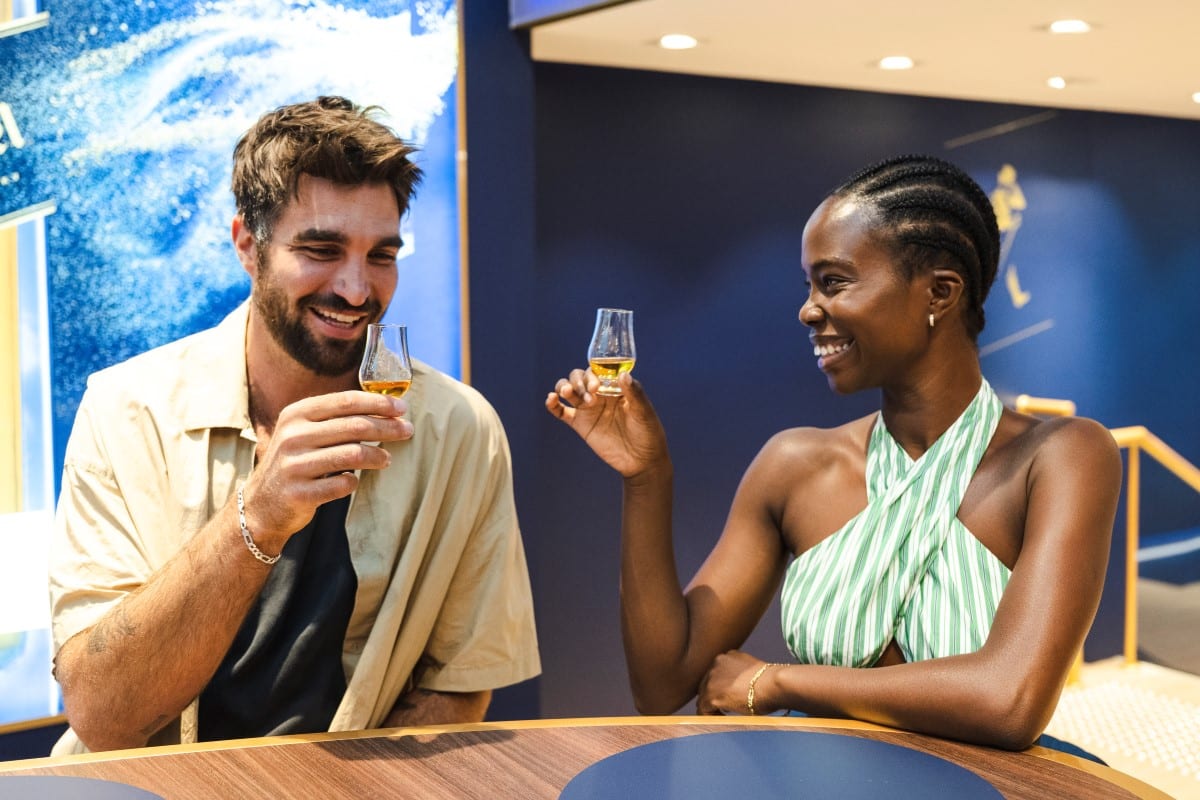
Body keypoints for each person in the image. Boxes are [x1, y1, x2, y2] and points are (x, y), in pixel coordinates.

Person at [546, 155, 1120, 751]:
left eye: (835, 281)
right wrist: (647, 478)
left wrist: (779, 681)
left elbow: (1009, 701)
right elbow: (665, 684)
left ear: (940, 294)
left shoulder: (1060, 457)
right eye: (809, 285)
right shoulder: (795, 465)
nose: (808, 309)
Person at [49, 96, 540, 753]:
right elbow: (102, 716)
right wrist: (260, 513)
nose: (358, 289)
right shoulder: (126, 410)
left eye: (381, 255)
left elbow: (459, 685)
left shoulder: (460, 429)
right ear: (248, 247)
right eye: (321, 249)